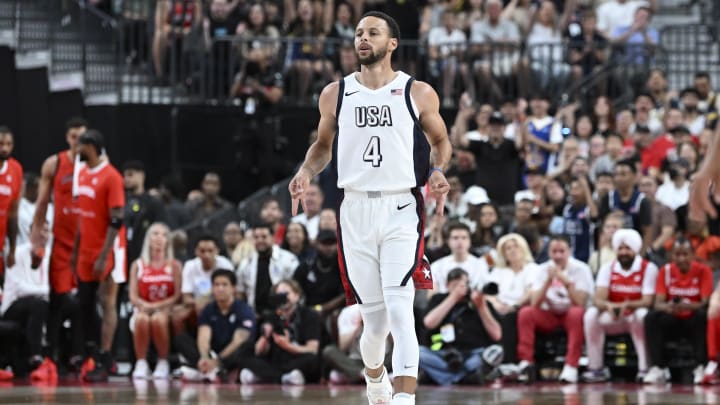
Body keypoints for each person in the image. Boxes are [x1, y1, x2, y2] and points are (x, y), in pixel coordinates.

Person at [287, 11, 452, 405]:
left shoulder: (418, 91)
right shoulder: (335, 93)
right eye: (359, 33)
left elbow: (440, 140)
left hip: (400, 207)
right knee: (374, 323)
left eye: (373, 32)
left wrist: (440, 171)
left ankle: (404, 399)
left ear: (392, 43)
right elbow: (323, 146)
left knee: (400, 306)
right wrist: (306, 172)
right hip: (354, 210)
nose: (363, 38)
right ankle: (374, 375)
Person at [29, 117, 86, 369]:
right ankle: (50, 353)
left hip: (87, 242)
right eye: (74, 137)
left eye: (82, 137)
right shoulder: (55, 163)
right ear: (67, 138)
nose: (78, 142)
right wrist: (36, 239)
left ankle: (80, 353)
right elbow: (41, 203)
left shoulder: (96, 166)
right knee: (58, 298)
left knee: (86, 300)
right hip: (61, 243)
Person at [72, 130, 127, 382]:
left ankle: (105, 357)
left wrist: (105, 255)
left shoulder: (111, 176)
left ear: (92, 147)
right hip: (86, 248)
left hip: (108, 249)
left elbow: (117, 219)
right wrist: (75, 250)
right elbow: (82, 217)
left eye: (80, 146)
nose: (75, 150)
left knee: (107, 301)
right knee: (84, 303)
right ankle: (93, 353)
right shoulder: (81, 173)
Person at [516, 235, 595, 384]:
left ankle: (571, 366)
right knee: (526, 313)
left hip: (571, 315)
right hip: (550, 314)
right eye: (554, 251)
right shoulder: (542, 269)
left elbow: (580, 302)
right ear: (549, 252)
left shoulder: (581, 269)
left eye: (562, 251)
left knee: (576, 313)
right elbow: (535, 303)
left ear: (569, 251)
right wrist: (547, 281)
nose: (558, 255)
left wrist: (567, 283)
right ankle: (526, 363)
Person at [582, 229, 658, 383]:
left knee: (642, 314)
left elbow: (648, 301)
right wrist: (609, 306)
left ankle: (645, 368)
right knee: (590, 315)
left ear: (635, 250)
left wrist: (627, 305)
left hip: (634, 317)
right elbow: (598, 299)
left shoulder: (648, 268)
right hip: (614, 316)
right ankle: (595, 368)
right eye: (620, 248)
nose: (623, 252)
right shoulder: (608, 268)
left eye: (627, 249)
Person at [643, 237, 713, 384]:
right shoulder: (665, 271)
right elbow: (658, 303)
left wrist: (686, 306)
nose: (681, 258)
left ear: (692, 255)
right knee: (651, 317)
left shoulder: (703, 270)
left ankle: (701, 365)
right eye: (677, 254)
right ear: (671, 256)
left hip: (693, 319)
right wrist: (669, 307)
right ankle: (658, 367)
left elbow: (704, 302)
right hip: (673, 317)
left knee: (703, 316)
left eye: (685, 254)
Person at [420, 268, 503, 385]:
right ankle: (463, 378)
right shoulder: (438, 299)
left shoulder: (479, 302)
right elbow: (429, 323)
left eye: (462, 285)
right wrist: (453, 298)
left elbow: (497, 335)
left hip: (474, 355)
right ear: (447, 286)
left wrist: (481, 307)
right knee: (419, 353)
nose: (460, 289)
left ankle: (441, 377)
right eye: (455, 286)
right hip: (443, 355)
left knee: (494, 353)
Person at [175, 269, 256, 382]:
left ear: (233, 288)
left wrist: (218, 361)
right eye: (216, 285)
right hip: (213, 351)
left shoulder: (244, 310)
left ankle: (209, 371)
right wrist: (204, 357)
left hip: (230, 353)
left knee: (245, 346)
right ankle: (209, 370)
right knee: (181, 339)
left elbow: (238, 340)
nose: (220, 288)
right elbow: (203, 335)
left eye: (224, 285)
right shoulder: (209, 309)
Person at [238, 279, 320, 385]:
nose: (283, 298)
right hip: (274, 362)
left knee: (312, 360)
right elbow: (259, 351)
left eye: (286, 294)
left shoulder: (309, 315)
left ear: (297, 295)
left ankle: (268, 377)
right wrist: (265, 337)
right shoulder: (271, 316)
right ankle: (280, 377)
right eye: (279, 295)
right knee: (243, 352)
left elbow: (312, 349)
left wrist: (288, 346)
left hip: (297, 359)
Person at [128, 223, 182, 379]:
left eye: (164, 235)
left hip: (165, 309)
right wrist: (144, 305)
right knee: (142, 319)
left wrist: (157, 306)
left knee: (158, 320)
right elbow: (133, 295)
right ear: (148, 238)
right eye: (155, 234)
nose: (159, 238)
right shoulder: (138, 265)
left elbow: (177, 295)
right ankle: (141, 362)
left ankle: (163, 361)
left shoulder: (174, 265)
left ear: (168, 241)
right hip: (143, 308)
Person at [0, 221, 52, 379]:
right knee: (39, 303)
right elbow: (19, 288)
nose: (43, 234)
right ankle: (36, 357)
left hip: (37, 305)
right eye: (40, 230)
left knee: (66, 305)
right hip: (12, 306)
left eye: (47, 231)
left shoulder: (49, 254)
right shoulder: (17, 253)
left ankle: (61, 360)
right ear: (30, 233)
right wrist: (45, 292)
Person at [486, 233, 538, 365]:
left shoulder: (532, 269)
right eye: (508, 248)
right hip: (499, 307)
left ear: (523, 248)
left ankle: (508, 362)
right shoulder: (499, 271)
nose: (513, 250)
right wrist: (496, 304)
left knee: (510, 318)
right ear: (503, 253)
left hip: (520, 307)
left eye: (516, 246)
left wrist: (514, 306)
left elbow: (531, 292)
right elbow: (488, 293)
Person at [174, 235, 234, 334]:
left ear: (217, 251)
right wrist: (199, 303)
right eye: (202, 251)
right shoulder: (190, 266)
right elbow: (186, 298)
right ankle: (183, 344)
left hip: (221, 303)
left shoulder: (225, 265)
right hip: (196, 305)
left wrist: (207, 302)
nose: (206, 255)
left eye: (210, 251)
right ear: (196, 251)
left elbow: (231, 293)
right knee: (177, 315)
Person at [237, 223, 299, 314]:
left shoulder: (288, 259)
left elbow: (297, 287)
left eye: (264, 237)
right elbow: (240, 292)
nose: (260, 240)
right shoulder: (245, 263)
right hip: (255, 314)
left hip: (285, 313)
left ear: (273, 238)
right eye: (256, 237)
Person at [122, 160, 167, 266]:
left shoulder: (153, 203)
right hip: (123, 253)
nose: (126, 179)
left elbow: (161, 227)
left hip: (144, 254)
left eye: (130, 175)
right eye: (125, 176)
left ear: (141, 175)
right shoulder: (121, 200)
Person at [0, 126, 23, 278]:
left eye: (9, 144)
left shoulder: (16, 169)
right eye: (1, 144)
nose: (5, 148)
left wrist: (13, 250)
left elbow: (13, 213)